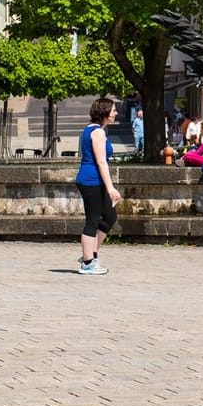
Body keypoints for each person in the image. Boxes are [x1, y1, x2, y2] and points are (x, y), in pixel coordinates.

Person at [75, 96, 121, 276]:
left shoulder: (91, 130)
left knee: (110, 216)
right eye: (113, 110)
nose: (115, 113)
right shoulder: (98, 133)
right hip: (91, 180)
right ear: (105, 113)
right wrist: (110, 188)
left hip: (93, 180)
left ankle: (91, 254)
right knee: (93, 220)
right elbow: (101, 162)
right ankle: (87, 263)